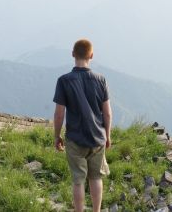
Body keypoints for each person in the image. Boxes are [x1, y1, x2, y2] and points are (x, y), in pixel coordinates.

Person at [53, 39, 112, 212]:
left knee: (78, 180)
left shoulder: (64, 81)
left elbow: (59, 114)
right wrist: (107, 136)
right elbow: (107, 113)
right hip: (97, 138)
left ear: (73, 54)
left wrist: (57, 136)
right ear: (91, 55)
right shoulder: (101, 80)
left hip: (75, 138)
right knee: (95, 178)